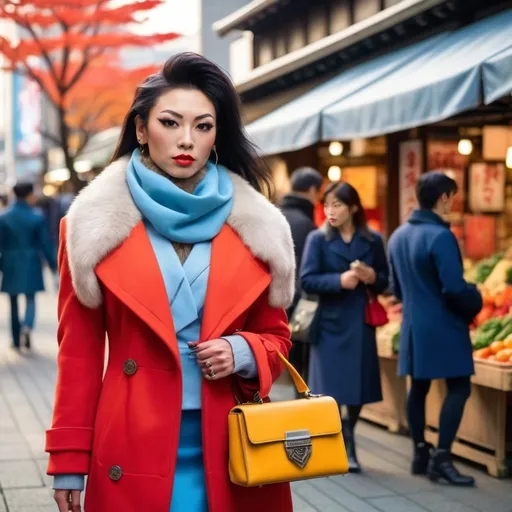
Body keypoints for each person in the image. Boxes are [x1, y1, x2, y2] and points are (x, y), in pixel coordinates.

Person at [46, 52, 295, 512]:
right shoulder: (90, 225)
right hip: (131, 437)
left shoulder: (258, 226)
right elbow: (78, 352)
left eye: (203, 126)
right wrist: (68, 458)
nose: (187, 140)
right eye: (170, 122)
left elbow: (277, 336)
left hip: (234, 437)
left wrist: (243, 351)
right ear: (141, 129)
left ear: (218, 135)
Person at [388, 171, 482, 487]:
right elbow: (454, 288)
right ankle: (442, 458)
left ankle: (420, 453)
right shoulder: (441, 236)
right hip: (445, 325)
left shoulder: (399, 235)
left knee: (420, 387)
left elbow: (396, 291)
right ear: (443, 197)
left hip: (414, 325)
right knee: (459, 387)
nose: (452, 202)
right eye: (452, 196)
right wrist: (476, 296)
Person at [300, 182, 389, 473]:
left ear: (353, 208)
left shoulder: (373, 240)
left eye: (337, 205)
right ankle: (342, 441)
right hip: (329, 322)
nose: (330, 211)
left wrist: (372, 275)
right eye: (326, 205)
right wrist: (339, 281)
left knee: (359, 386)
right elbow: (307, 280)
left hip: (360, 320)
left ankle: (348, 433)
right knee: (330, 388)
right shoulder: (318, 239)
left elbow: (387, 281)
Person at [0, 181, 57, 350]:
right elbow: (45, 244)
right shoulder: (37, 216)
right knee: (31, 298)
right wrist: (53, 265)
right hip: (31, 261)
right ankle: (27, 326)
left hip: (9, 262)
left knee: (13, 301)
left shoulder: (4, 217)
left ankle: (16, 339)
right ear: (29, 195)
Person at [280, 166, 323, 379]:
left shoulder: (274, 214)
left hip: (270, 297)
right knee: (301, 369)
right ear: (313, 190)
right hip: (297, 304)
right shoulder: (307, 224)